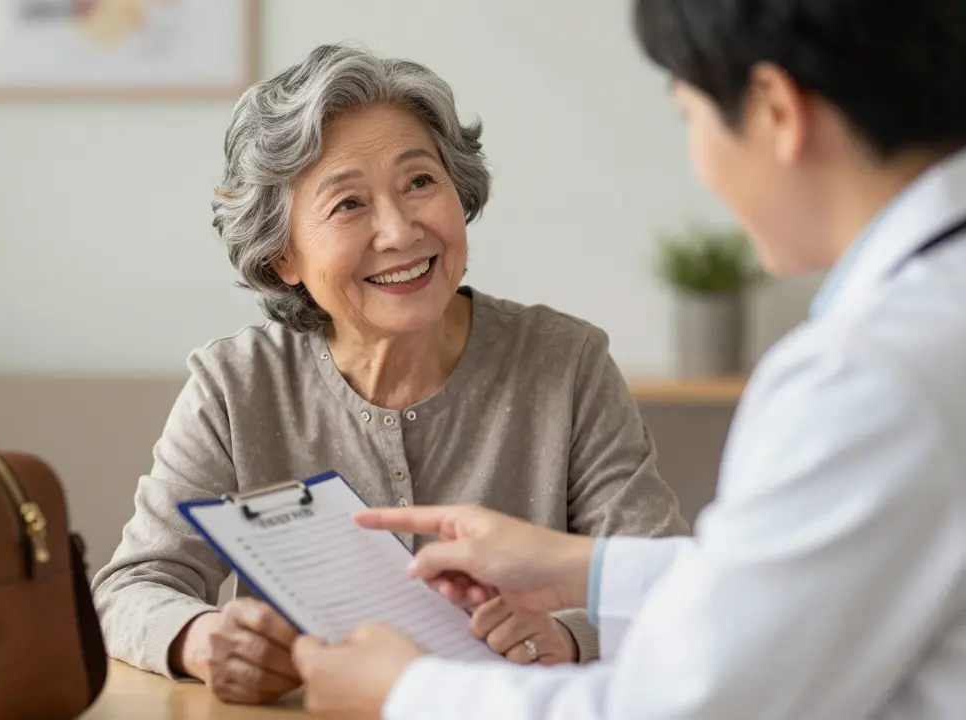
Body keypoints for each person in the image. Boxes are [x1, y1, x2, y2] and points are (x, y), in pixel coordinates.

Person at [289, 1, 966, 718]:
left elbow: (694, 706)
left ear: (775, 109)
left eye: (688, 114)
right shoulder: (925, 324)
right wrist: (585, 568)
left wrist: (407, 693)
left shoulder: (868, 378)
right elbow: (806, 577)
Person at [90, 43, 689, 705]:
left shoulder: (565, 362)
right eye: (349, 205)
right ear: (282, 254)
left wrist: (566, 635)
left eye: (420, 183)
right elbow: (131, 587)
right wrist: (202, 639)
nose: (401, 231)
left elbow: (664, 583)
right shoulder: (236, 385)